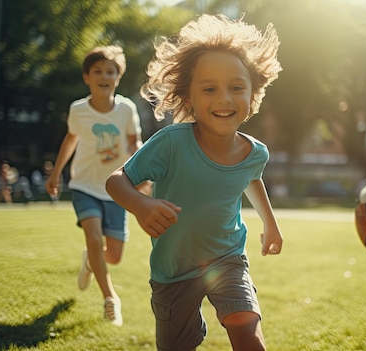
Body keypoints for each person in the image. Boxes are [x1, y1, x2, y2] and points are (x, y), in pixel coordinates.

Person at [106, 14, 284, 351]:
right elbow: (117, 181)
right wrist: (142, 205)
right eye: (209, 89)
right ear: (188, 97)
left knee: (247, 330)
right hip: (173, 270)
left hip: (227, 257)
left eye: (236, 87)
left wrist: (270, 224)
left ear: (253, 93)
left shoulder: (255, 152)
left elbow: (251, 179)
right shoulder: (171, 143)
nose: (224, 99)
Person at [45, 45, 143, 326]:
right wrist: (56, 174)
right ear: (87, 77)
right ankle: (110, 299)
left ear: (118, 78)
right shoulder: (78, 109)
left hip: (118, 188)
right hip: (84, 186)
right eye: (97, 71)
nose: (104, 76)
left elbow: (135, 142)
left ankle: (91, 261)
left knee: (113, 255)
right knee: (92, 235)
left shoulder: (127, 109)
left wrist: (144, 171)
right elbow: (71, 140)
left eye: (110, 71)